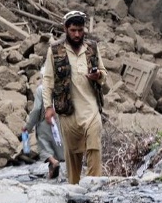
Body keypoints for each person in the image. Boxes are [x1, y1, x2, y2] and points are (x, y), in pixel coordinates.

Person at [42, 10, 110, 184]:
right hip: (68, 112)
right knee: (73, 155)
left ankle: (95, 185)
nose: (77, 34)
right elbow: (48, 80)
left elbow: (104, 73)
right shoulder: (55, 50)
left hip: (91, 109)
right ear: (65, 29)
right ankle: (73, 189)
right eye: (73, 30)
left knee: (94, 146)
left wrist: (98, 76)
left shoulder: (92, 48)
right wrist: (48, 107)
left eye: (80, 30)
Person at [23, 77, 64, 179]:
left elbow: (37, 109)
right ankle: (52, 173)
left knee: (44, 148)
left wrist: (28, 127)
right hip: (59, 123)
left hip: (44, 122)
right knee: (56, 148)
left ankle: (53, 163)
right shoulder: (59, 88)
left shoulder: (41, 89)